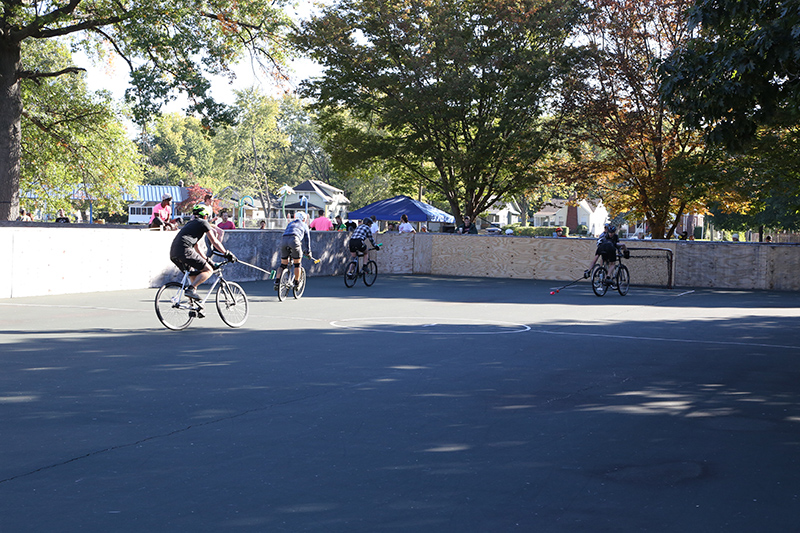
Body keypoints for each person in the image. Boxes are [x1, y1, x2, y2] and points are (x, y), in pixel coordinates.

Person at [169, 205, 236, 301]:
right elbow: (215, 242)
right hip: (185, 250)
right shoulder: (203, 223)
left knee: (193, 276)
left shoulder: (190, 224)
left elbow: (197, 247)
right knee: (208, 270)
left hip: (174, 253)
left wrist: (208, 260)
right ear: (206, 216)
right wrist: (227, 253)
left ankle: (193, 306)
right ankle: (191, 290)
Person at [275, 211, 312, 291]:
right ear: (304, 219)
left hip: (284, 240)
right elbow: (307, 239)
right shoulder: (304, 225)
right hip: (294, 240)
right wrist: (308, 251)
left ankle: (277, 281)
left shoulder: (290, 223)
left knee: (283, 264)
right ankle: (296, 283)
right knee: (297, 264)